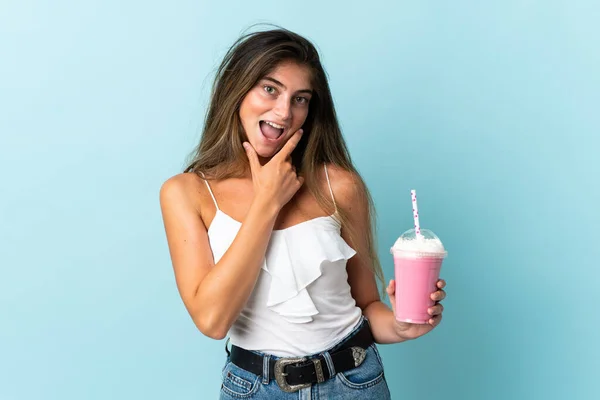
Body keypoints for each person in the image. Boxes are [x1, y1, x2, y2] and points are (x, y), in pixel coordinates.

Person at [159, 27, 446, 399]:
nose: (283, 111)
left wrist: (402, 326)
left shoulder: (340, 186)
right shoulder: (188, 192)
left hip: (353, 383)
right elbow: (212, 320)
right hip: (253, 389)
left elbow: (366, 307)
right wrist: (267, 201)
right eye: (270, 89)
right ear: (236, 89)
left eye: (300, 99)